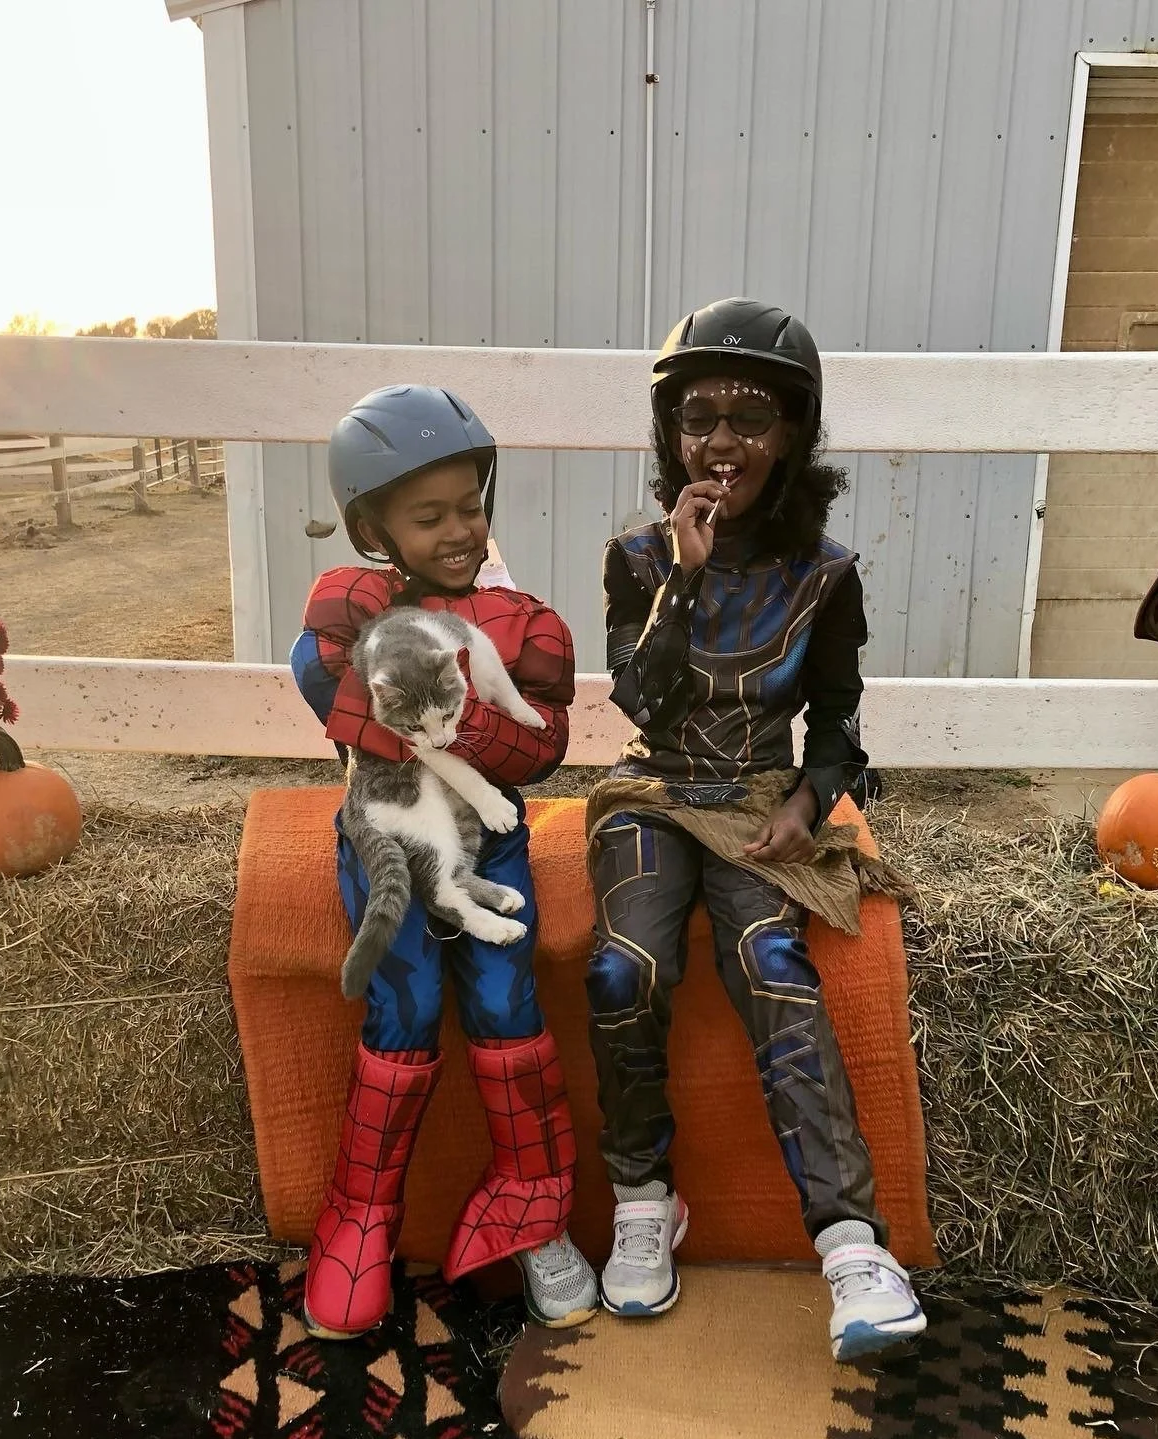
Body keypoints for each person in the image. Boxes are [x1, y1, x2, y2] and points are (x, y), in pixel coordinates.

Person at [585, 297, 927, 1362]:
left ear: (793, 434)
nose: (721, 440)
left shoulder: (825, 575)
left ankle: (852, 1250)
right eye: (697, 417)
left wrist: (805, 803)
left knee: (770, 961)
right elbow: (641, 701)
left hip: (753, 809)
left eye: (749, 415)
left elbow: (837, 725)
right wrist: (683, 580)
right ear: (668, 433)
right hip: (653, 797)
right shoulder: (640, 558)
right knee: (624, 966)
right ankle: (645, 1201)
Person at [292, 384, 598, 1338]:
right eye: (429, 516)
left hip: (491, 836)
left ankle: (534, 1206)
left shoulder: (523, 619)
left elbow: (545, 739)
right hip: (388, 832)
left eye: (471, 506)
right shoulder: (348, 606)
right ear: (371, 524)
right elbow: (321, 681)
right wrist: (449, 730)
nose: (460, 530)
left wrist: (463, 735)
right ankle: (361, 1218)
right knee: (406, 1005)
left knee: (508, 1003)